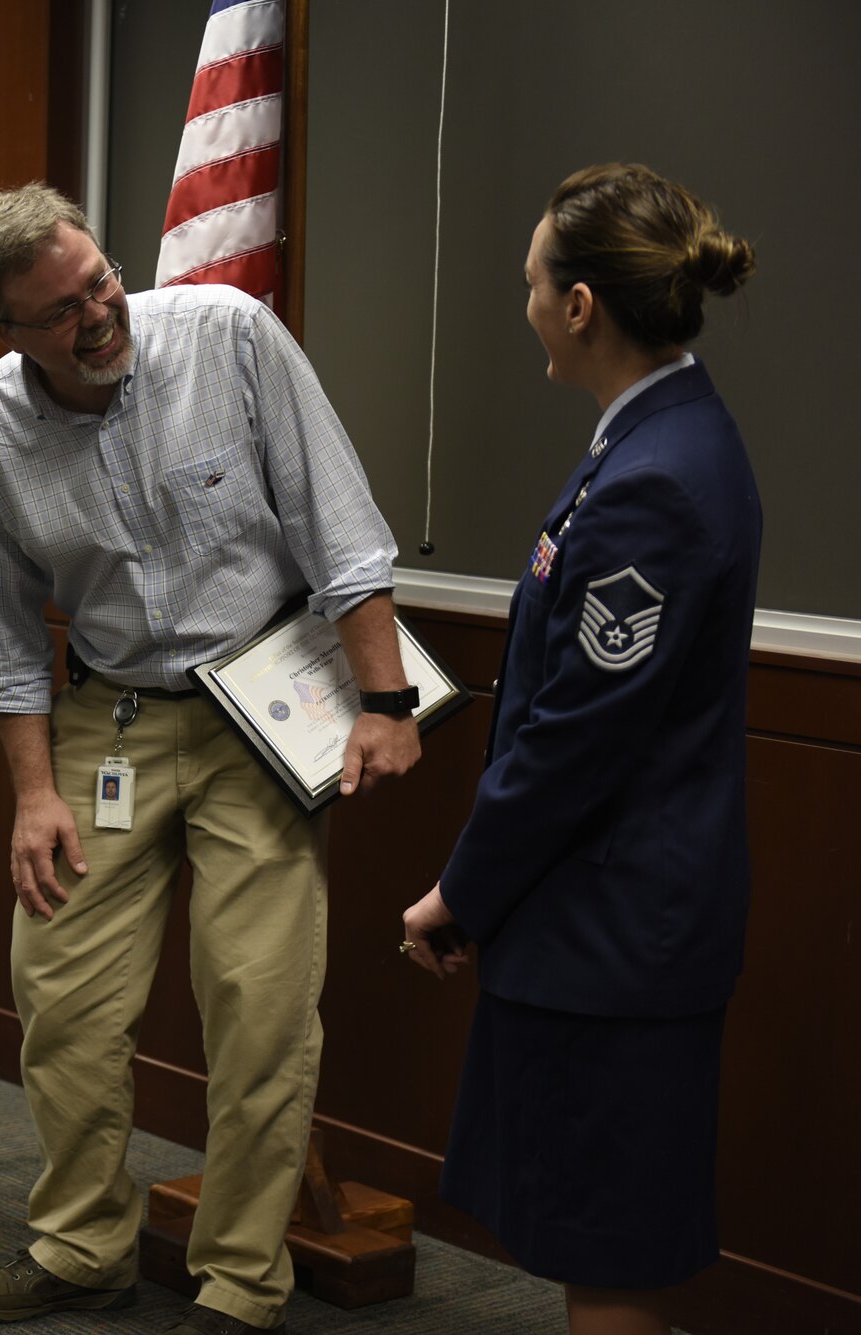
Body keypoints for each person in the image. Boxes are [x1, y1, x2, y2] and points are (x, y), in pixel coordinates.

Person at [0, 184, 419, 1334]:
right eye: (59, 312)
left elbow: (336, 525)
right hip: (106, 725)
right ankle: (79, 1247)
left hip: (258, 710)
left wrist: (386, 698)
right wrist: (31, 797)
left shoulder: (226, 336)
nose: (98, 316)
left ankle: (239, 1284)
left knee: (257, 1005)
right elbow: (3, 637)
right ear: (4, 331)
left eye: (98, 281)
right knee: (59, 997)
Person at [401, 164, 760, 1335]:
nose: (521, 303)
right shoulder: (655, 441)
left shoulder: (653, 477)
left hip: (611, 933)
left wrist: (461, 889)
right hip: (608, 922)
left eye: (526, 282)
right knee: (587, 1223)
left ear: (577, 305)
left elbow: (573, 739)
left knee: (603, 1240)